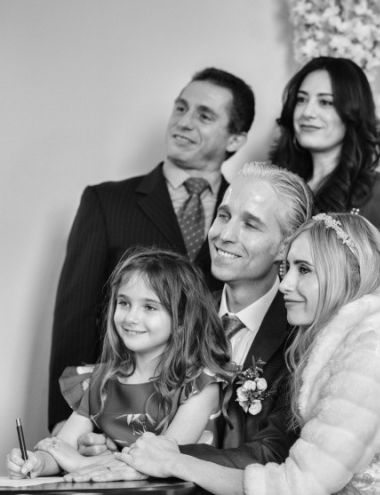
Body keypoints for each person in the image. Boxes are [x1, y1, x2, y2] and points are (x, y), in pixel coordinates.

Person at [114, 213, 380, 495]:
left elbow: (296, 486)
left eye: (304, 270)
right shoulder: (358, 343)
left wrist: (176, 461)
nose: (285, 284)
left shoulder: (369, 357)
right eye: (286, 269)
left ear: (350, 276)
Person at [64, 162, 314, 481]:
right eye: (223, 216)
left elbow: (273, 454)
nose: (224, 235)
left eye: (250, 225)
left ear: (285, 246)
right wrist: (104, 444)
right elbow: (129, 399)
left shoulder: (302, 336)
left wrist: (156, 459)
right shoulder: (174, 314)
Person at [49, 67, 255, 430]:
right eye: (180, 108)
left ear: (236, 139)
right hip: (112, 417)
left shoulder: (249, 216)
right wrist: (61, 424)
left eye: (204, 115)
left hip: (212, 420)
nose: (184, 122)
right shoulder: (106, 202)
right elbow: (75, 318)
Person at [8, 248, 234, 477]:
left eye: (149, 307)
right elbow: (61, 450)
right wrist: (37, 461)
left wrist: (81, 464)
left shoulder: (200, 384)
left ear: (181, 321)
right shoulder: (100, 381)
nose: (131, 317)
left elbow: (163, 463)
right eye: (124, 303)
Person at [271, 56, 380, 284]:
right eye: (301, 99)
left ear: (352, 112)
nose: (307, 112)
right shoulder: (276, 185)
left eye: (325, 102)